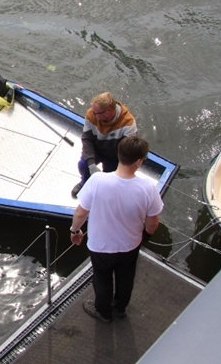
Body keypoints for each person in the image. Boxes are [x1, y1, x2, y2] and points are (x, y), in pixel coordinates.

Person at [70, 136, 163, 322]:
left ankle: (103, 312)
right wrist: (144, 236)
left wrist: (75, 231)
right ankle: (120, 308)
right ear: (138, 161)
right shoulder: (148, 188)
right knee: (126, 278)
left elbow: (81, 212)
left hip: (100, 246)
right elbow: (153, 223)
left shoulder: (97, 180)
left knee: (102, 278)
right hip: (129, 245)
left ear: (119, 155)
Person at [71, 91, 137, 198]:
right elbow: (87, 139)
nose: (93, 114)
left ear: (108, 112)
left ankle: (102, 194)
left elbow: (126, 151)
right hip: (97, 149)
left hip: (115, 156)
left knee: (108, 178)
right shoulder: (91, 115)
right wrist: (91, 164)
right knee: (84, 165)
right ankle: (85, 183)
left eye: (96, 113)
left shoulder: (128, 123)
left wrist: (122, 170)